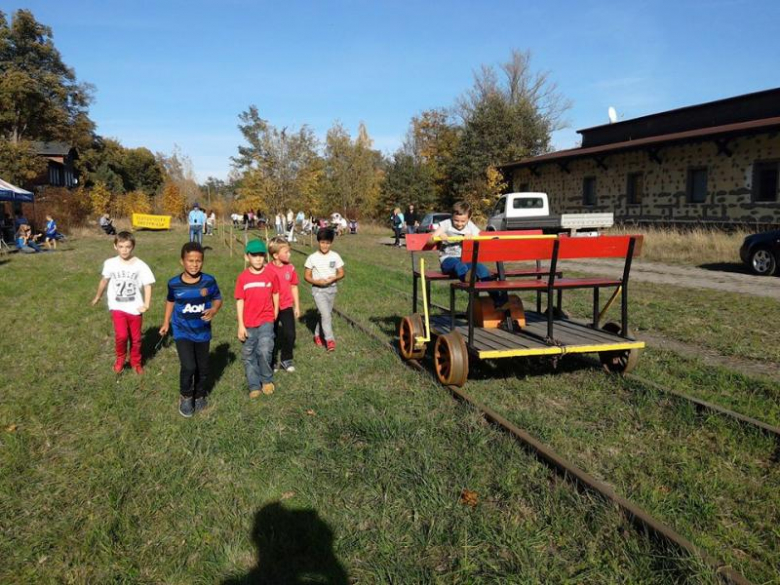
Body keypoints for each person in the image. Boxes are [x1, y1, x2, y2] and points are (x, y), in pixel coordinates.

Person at [159, 242, 223, 417]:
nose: (194, 264)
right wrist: (166, 323)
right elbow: (170, 301)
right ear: (182, 261)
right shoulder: (174, 284)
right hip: (182, 331)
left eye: (198, 261)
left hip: (202, 331)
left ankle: (199, 394)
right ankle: (186, 396)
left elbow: (218, 298)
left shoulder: (209, 281)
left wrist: (214, 310)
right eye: (190, 260)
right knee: (189, 366)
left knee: (203, 367)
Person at [91, 231, 155, 374]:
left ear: (133, 247)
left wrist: (146, 304)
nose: (124, 250)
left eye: (127, 246)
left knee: (137, 339)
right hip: (117, 306)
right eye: (121, 246)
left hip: (135, 307)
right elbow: (104, 281)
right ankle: (120, 359)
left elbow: (147, 285)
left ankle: (136, 362)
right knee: (122, 336)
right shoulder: (110, 263)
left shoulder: (140, 265)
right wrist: (98, 296)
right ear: (115, 246)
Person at [428, 201, 508, 308]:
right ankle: (468, 279)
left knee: (481, 268)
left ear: (468, 219)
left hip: (466, 259)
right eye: (456, 220)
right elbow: (429, 241)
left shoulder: (470, 226)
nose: (459, 224)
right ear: (452, 216)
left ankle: (498, 298)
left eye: (463, 221)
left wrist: (472, 238)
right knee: (459, 265)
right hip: (448, 260)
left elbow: (480, 241)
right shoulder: (446, 224)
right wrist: (438, 237)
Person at [235, 239, 279, 398]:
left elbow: (275, 293)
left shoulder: (270, 275)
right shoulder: (243, 278)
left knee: (265, 349)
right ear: (247, 257)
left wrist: (275, 313)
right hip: (248, 323)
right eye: (254, 255)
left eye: (261, 255)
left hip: (266, 319)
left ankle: (266, 380)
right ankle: (254, 385)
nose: (258, 258)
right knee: (249, 354)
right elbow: (240, 300)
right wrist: (241, 324)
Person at [304, 229, 345, 352]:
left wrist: (335, 277)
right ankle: (330, 340)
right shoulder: (312, 258)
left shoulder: (335, 256)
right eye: (322, 242)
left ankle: (317, 335)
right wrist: (318, 282)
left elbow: (342, 273)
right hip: (318, 291)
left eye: (327, 243)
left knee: (325, 316)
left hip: (332, 289)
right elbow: (306, 276)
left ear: (331, 243)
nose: (324, 245)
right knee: (326, 315)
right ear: (318, 242)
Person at [267, 237, 300, 373]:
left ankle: (286, 359)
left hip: (286, 306)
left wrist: (297, 306)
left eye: (289, 252)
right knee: (271, 335)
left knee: (290, 334)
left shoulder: (290, 268)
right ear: (275, 255)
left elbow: (294, 286)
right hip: (271, 308)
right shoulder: (267, 269)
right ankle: (272, 360)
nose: (289, 255)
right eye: (286, 252)